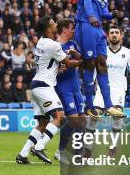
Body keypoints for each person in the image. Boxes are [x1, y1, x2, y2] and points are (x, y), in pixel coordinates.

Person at [16, 16, 83, 165]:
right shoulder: (53, 45)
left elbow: (52, 63)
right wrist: (83, 61)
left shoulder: (41, 42)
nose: (55, 24)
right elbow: (68, 62)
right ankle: (39, 147)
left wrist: (57, 69)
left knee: (43, 123)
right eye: (53, 23)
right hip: (44, 86)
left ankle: (23, 154)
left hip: (36, 85)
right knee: (60, 117)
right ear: (47, 28)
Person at [76, 0, 124, 119]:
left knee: (102, 64)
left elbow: (103, 13)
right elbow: (87, 0)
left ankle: (109, 105)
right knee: (89, 64)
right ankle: (89, 106)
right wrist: (90, 16)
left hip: (98, 28)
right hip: (86, 25)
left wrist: (112, 15)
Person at [94, 25, 130, 130]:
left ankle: (113, 146)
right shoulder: (102, 52)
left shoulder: (127, 52)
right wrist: (92, 83)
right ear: (108, 36)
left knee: (117, 120)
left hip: (118, 90)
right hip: (102, 90)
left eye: (117, 33)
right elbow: (94, 71)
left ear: (121, 36)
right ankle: (87, 146)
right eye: (112, 33)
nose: (114, 35)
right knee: (93, 118)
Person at [53, 18, 85, 164]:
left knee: (82, 121)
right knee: (72, 120)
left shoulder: (72, 44)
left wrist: (76, 53)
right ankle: (61, 151)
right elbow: (43, 68)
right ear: (65, 29)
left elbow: (83, 59)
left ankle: (79, 154)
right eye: (71, 28)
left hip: (76, 86)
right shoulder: (53, 46)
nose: (73, 30)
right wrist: (57, 70)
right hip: (63, 87)